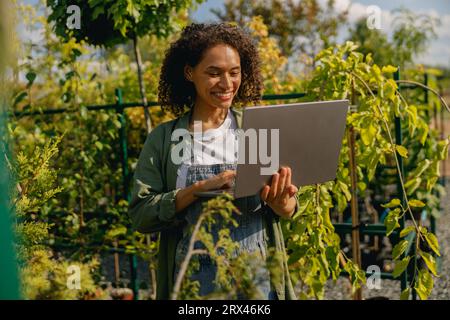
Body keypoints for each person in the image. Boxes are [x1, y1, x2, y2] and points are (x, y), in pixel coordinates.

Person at [128, 22, 299, 300]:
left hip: (256, 283)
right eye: (213, 73)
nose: (227, 83)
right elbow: (141, 215)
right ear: (189, 73)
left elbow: (290, 206)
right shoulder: (165, 138)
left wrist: (283, 204)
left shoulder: (256, 130)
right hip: (193, 284)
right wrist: (200, 189)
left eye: (234, 73)